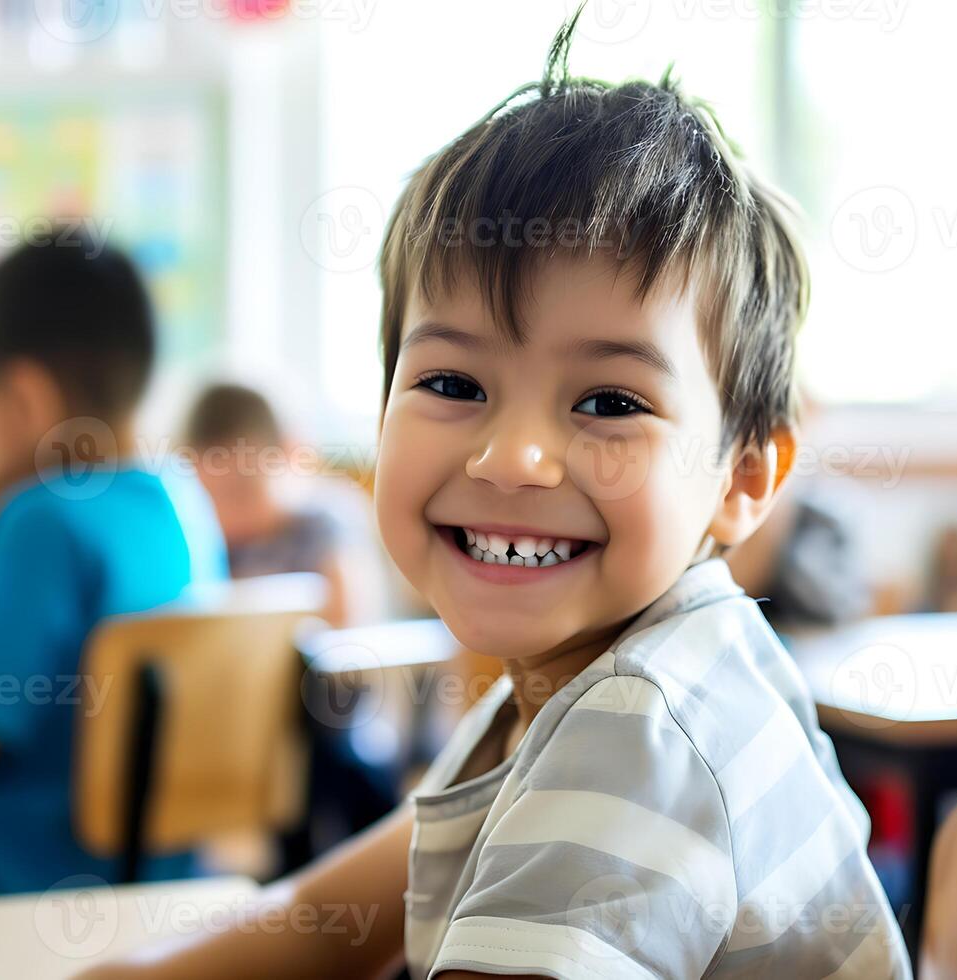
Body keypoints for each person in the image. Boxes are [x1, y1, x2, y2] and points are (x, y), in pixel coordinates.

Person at [81, 20, 909, 980]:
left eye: (608, 402)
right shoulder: (575, 684)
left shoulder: (638, 728)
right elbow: (322, 921)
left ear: (742, 480)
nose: (513, 457)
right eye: (453, 384)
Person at [0, 231, 228, 898]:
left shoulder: (40, 517)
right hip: (155, 883)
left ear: (26, 398)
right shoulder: (179, 497)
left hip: (17, 890)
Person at [183, 383, 361, 627]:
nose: (227, 515)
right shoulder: (199, 543)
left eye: (242, 493)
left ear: (287, 456)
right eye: (207, 499)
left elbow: (344, 622)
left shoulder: (318, 530)